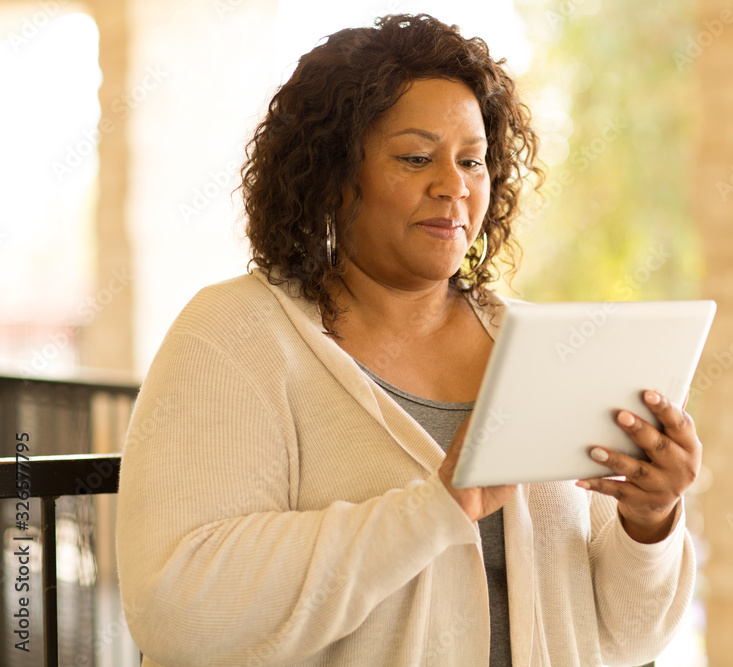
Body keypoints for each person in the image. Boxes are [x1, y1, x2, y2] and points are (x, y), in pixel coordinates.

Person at [116, 13, 700, 667]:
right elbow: (177, 611)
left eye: (472, 160)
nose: (453, 185)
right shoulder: (234, 336)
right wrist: (430, 511)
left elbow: (625, 637)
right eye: (416, 157)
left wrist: (650, 521)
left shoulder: (546, 348)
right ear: (334, 176)